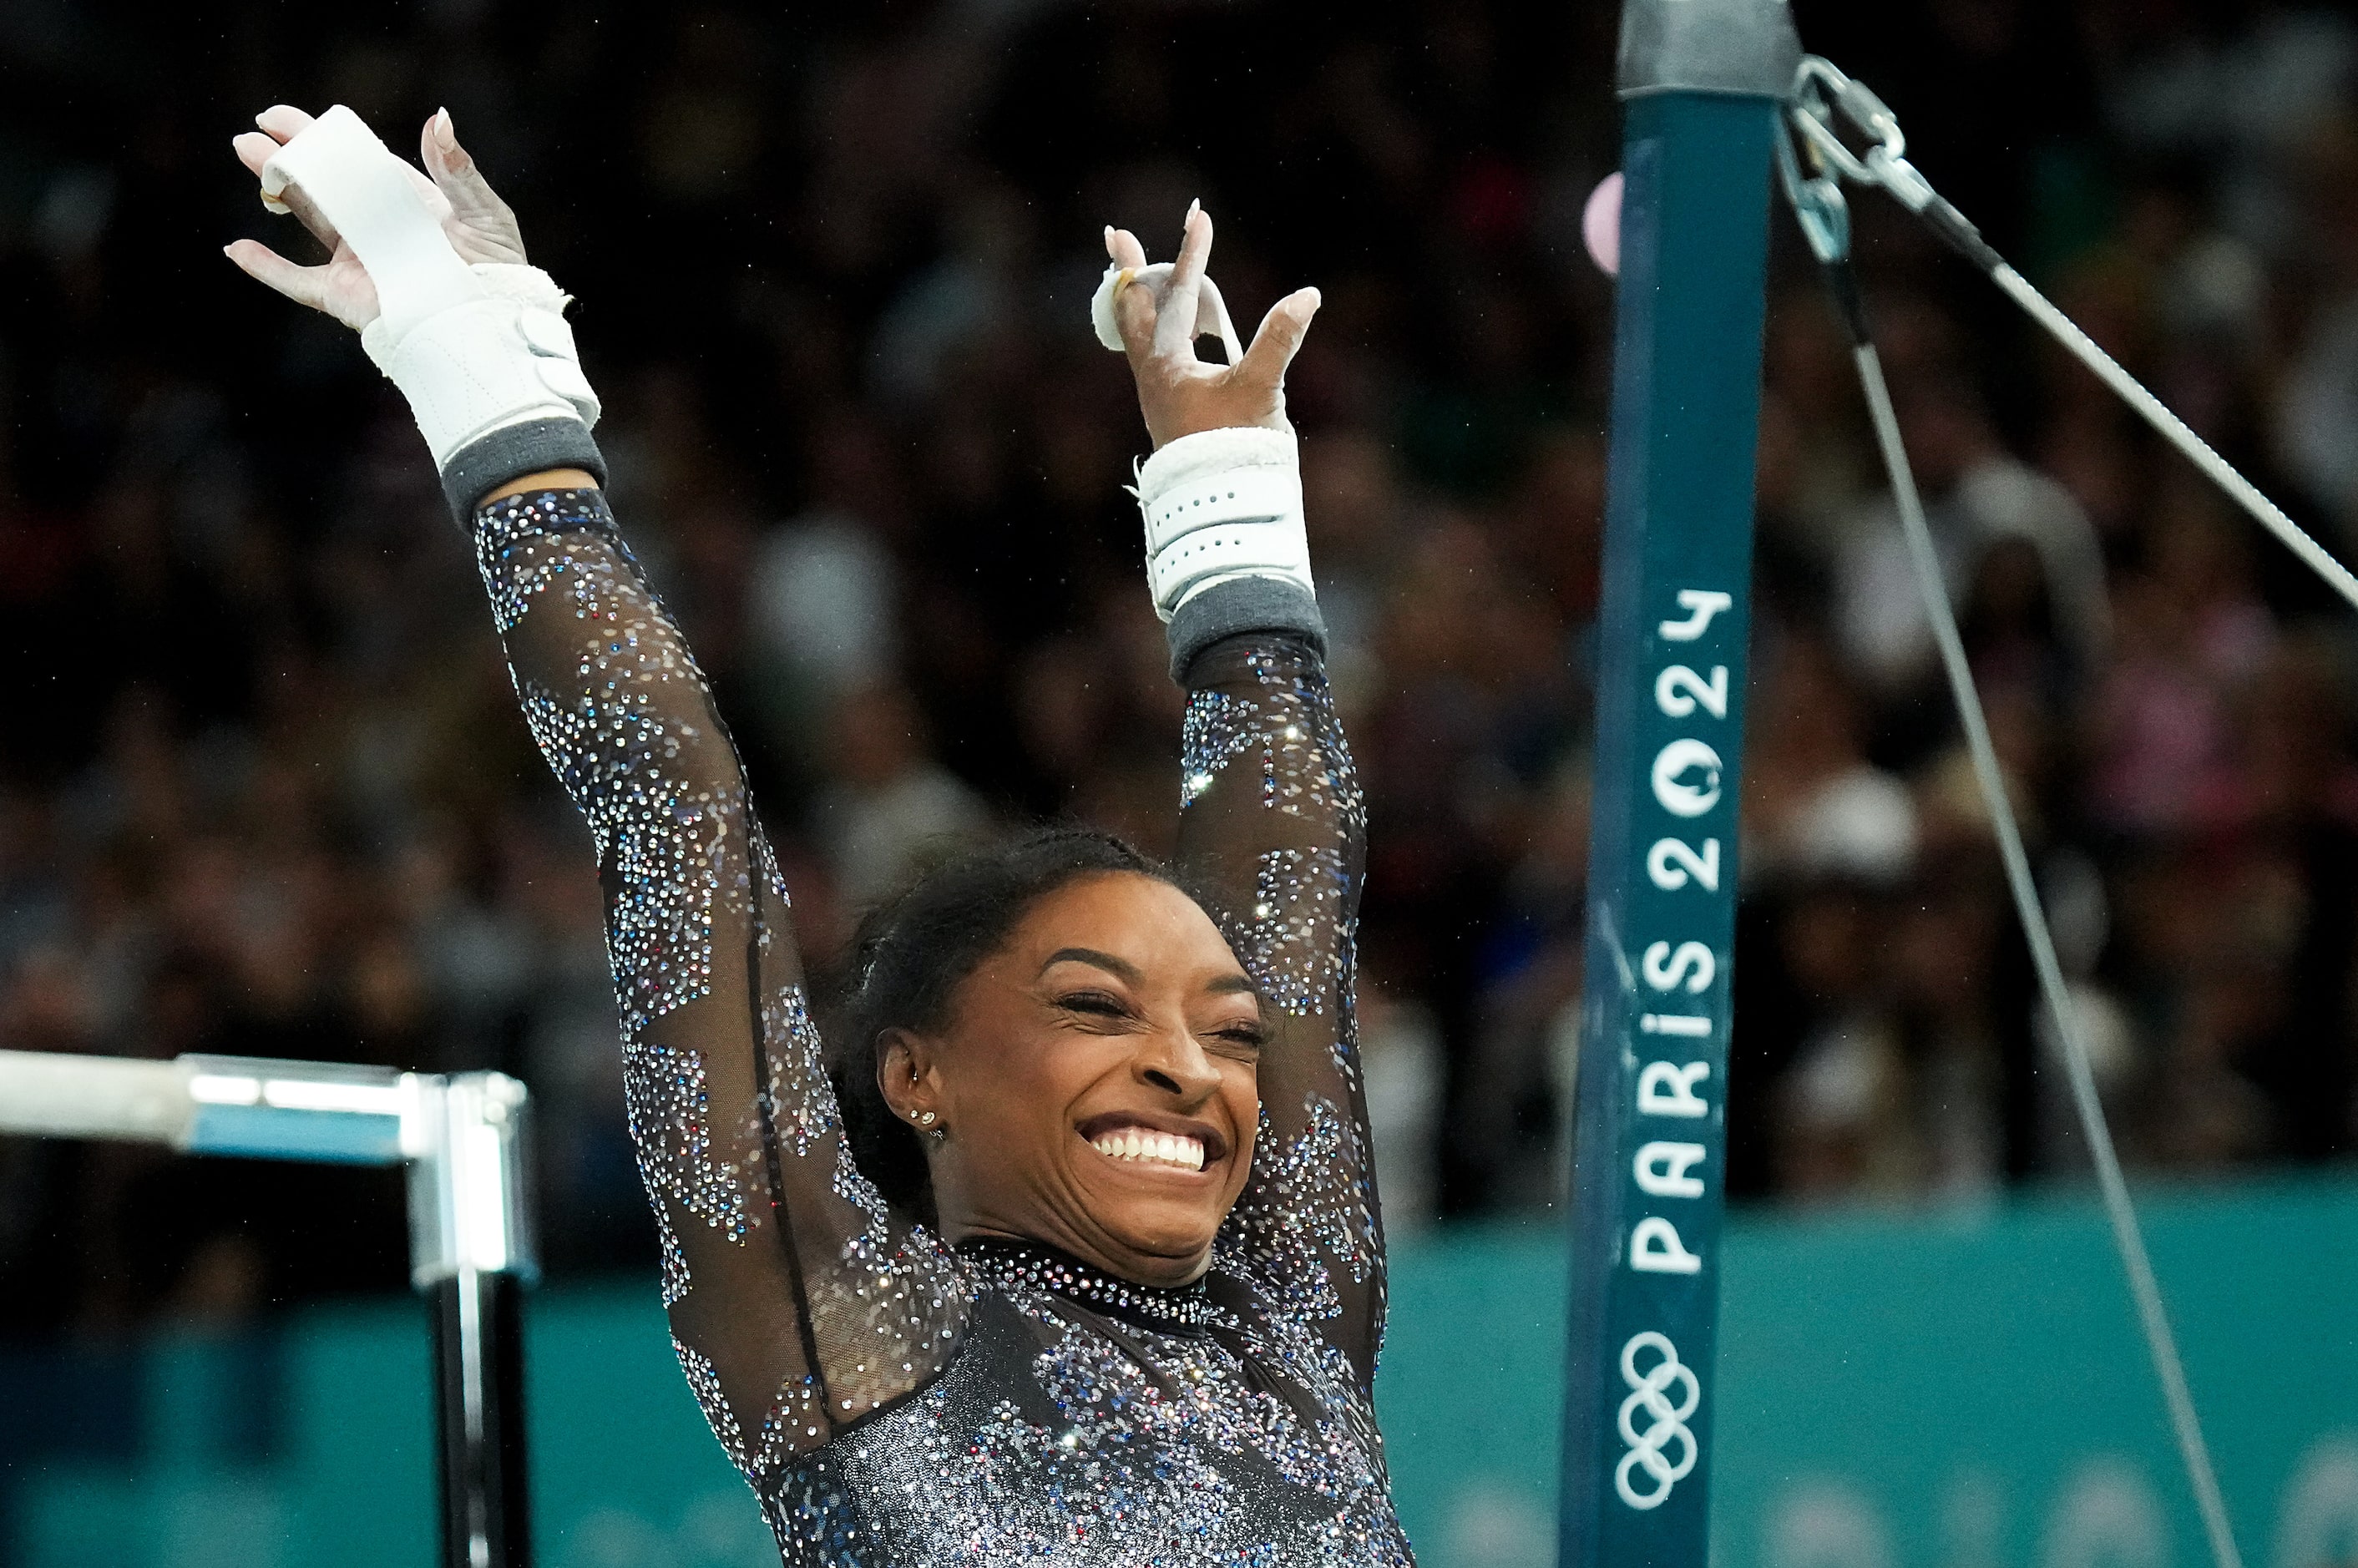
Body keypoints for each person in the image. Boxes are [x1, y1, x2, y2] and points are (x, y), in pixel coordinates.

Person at [226, 104, 1408, 1565]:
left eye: (1232, 1036)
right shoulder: (853, 1335)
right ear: (917, 1075)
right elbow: (675, 812)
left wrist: (1227, 508)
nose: (1189, 1064)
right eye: (1096, 1007)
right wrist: (484, 373)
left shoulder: (1292, 1321)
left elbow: (1290, 883)